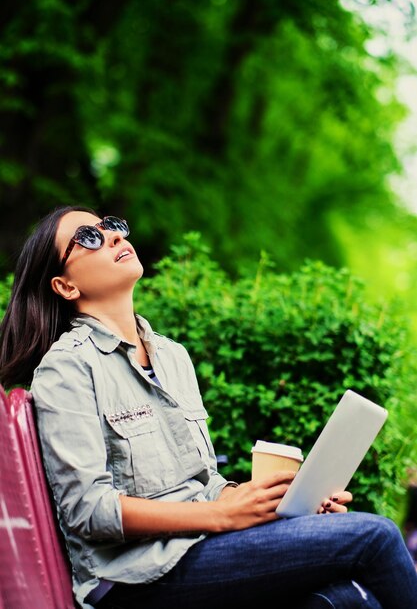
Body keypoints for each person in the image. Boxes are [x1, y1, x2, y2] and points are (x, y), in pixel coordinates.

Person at [0, 205, 416, 609]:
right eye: (88, 238)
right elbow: (89, 510)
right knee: (374, 536)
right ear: (66, 286)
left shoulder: (172, 356)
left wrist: (263, 499)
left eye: (111, 225)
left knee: (344, 599)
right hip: (134, 579)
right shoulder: (67, 368)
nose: (112, 235)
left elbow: (203, 481)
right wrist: (220, 515)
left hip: (201, 549)